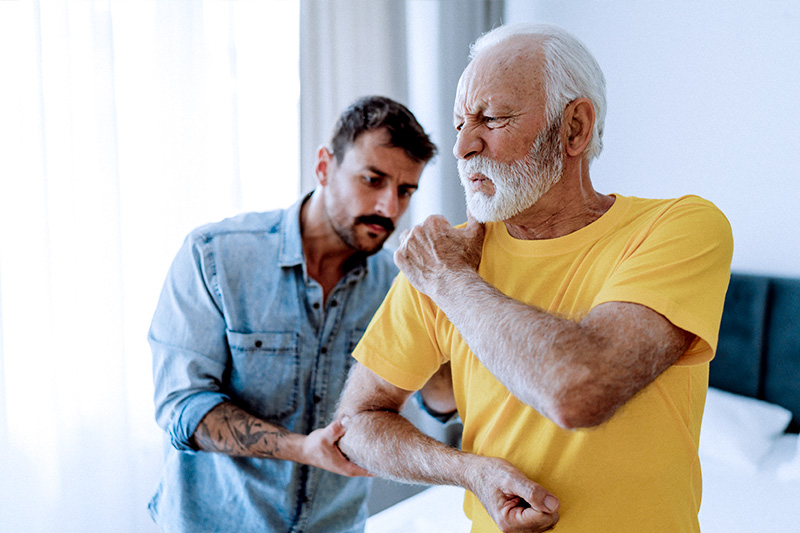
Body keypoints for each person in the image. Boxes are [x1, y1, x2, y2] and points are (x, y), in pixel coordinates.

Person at [336, 23, 733, 533]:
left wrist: (450, 280)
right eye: (459, 123)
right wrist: (469, 472)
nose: (462, 147)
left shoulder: (678, 228)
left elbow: (580, 390)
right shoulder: (448, 259)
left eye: (492, 118)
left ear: (574, 128)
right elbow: (356, 424)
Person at [147, 95, 437, 532]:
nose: (389, 208)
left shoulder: (399, 285)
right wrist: (302, 448)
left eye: (404, 191)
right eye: (372, 180)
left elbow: (440, 402)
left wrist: (456, 293)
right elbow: (183, 408)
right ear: (324, 166)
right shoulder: (215, 256)